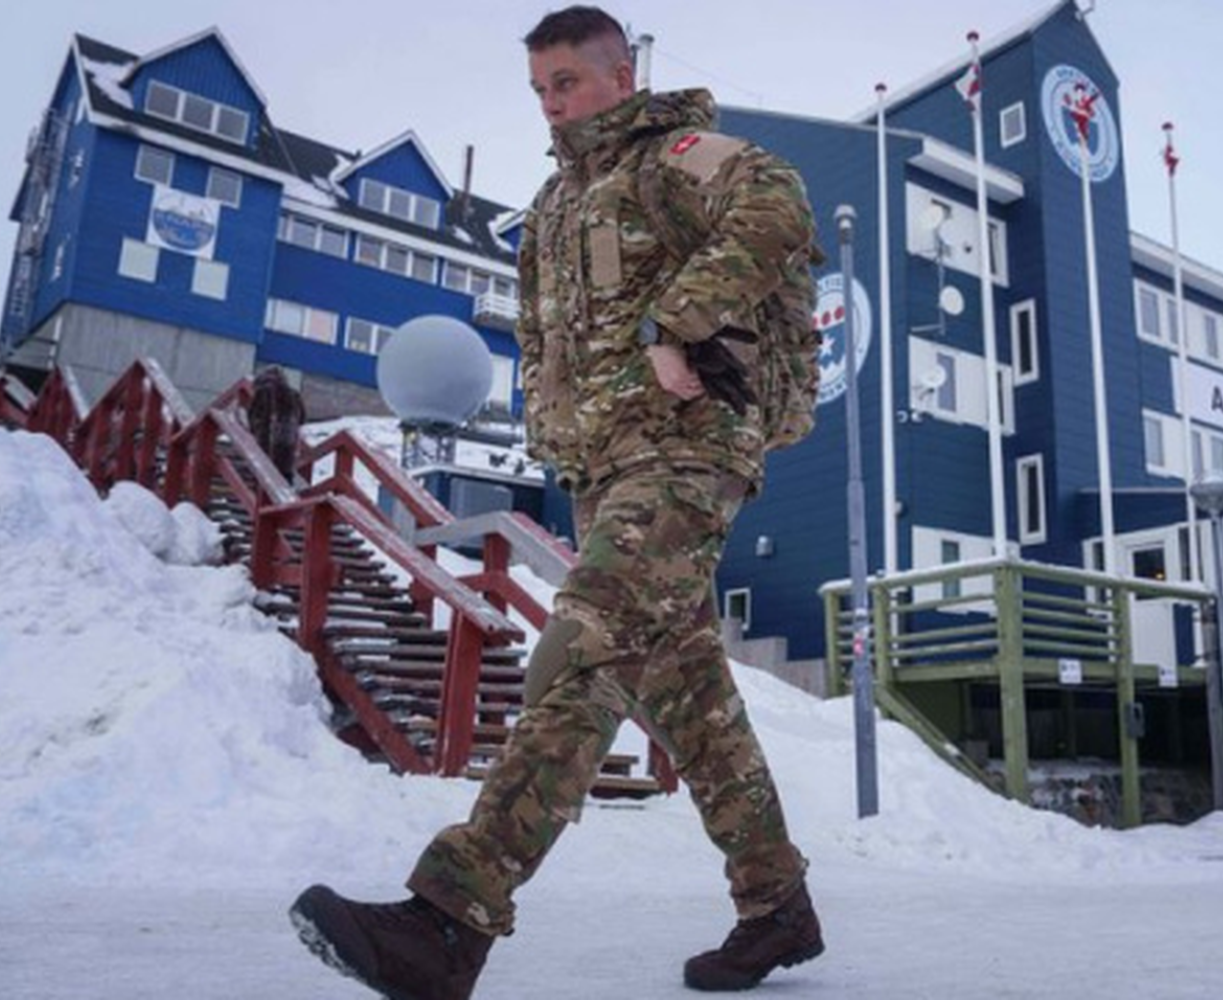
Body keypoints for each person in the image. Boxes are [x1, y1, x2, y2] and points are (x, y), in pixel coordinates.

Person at [288, 8, 823, 999]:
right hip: (602, 471)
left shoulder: (675, 156)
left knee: (579, 656)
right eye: (539, 88)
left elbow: (777, 201)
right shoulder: (552, 205)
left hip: (684, 453)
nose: (550, 103)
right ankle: (776, 907)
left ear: (620, 74)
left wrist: (680, 321)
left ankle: (451, 917)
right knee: (691, 704)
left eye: (567, 82)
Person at [247, 365, 305, 481]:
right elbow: (302, 418)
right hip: (287, 447)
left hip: (265, 444)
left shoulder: (261, 392)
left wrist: (255, 430)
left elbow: (252, 416)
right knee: (283, 480)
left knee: (262, 479)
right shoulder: (294, 394)